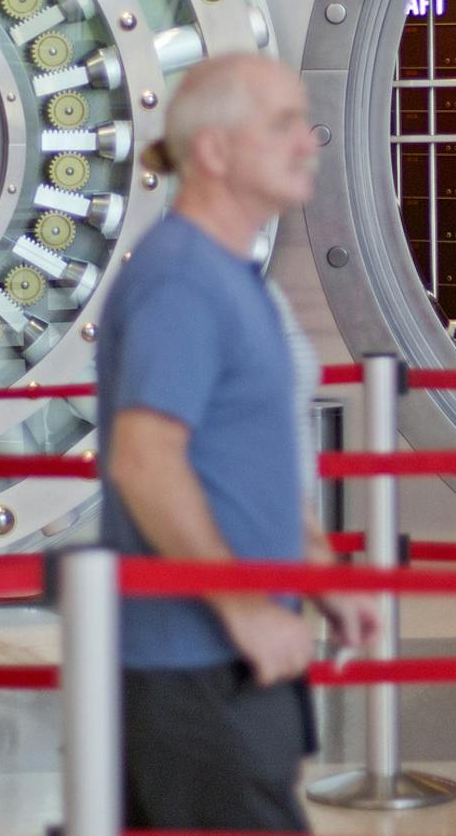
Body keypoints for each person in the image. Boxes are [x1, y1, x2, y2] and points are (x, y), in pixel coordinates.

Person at [97, 54, 379, 833]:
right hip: (192, 669)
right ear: (215, 152)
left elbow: (249, 467)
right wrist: (245, 607)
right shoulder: (182, 281)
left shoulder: (231, 279)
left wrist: (318, 571)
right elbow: (145, 459)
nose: (307, 142)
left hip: (229, 665)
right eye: (282, 124)